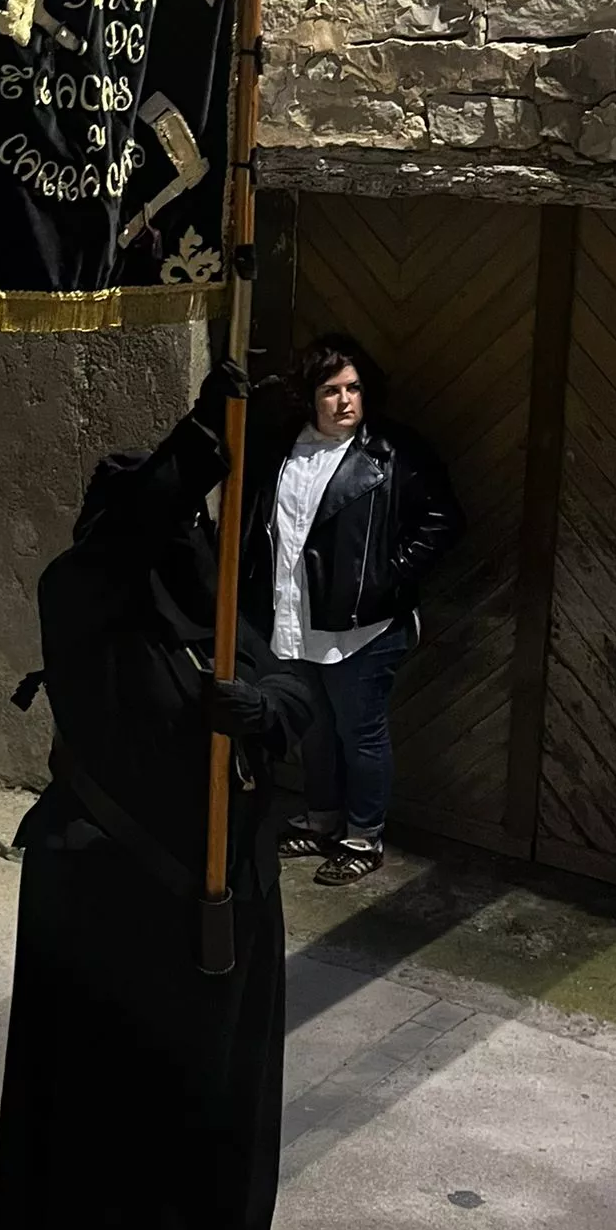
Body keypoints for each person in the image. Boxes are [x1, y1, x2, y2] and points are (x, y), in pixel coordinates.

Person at [0, 363, 316, 1230]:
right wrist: (207, 432)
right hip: (117, 902)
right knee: (119, 1091)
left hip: (228, 897)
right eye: (164, 517)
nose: (180, 536)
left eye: (187, 521)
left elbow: (299, 686)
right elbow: (134, 531)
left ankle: (205, 1227)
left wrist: (261, 706)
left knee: (213, 1076)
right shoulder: (84, 598)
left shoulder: (209, 600)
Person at [250, 333, 464, 886]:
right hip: (293, 615)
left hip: (364, 626)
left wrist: (387, 576)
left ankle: (362, 836)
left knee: (360, 732)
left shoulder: (392, 452)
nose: (346, 400)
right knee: (314, 728)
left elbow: (443, 520)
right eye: (330, 390)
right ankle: (321, 818)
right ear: (308, 397)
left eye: (354, 388)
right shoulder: (282, 449)